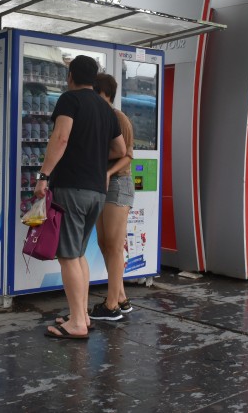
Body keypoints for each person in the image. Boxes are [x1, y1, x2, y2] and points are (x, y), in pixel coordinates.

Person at [34, 55, 126, 340]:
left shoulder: (69, 99)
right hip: (97, 191)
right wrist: (94, 156)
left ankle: (76, 323)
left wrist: (44, 175)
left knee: (68, 256)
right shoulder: (106, 108)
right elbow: (120, 149)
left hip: (71, 187)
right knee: (79, 254)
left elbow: (61, 137)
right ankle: (82, 315)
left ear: (70, 75)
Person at [90, 73, 135, 321]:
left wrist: (107, 172)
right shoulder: (99, 116)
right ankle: (120, 298)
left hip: (118, 184)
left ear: (104, 93)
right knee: (104, 243)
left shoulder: (119, 118)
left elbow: (128, 155)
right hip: (102, 185)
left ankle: (111, 306)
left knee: (115, 245)